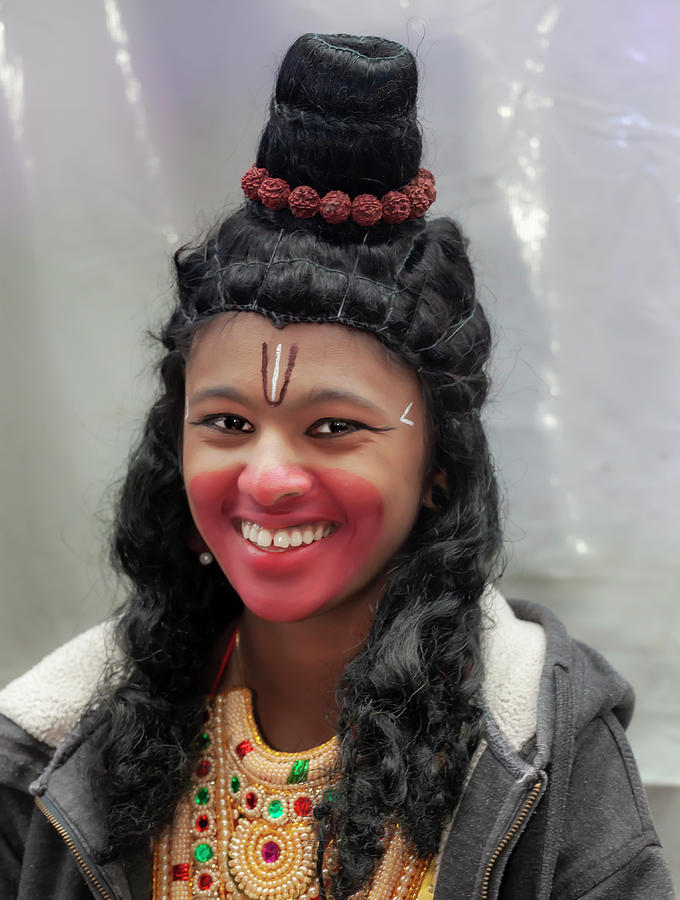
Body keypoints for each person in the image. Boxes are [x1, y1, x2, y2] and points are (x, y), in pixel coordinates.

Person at [0, 32, 674, 900]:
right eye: (229, 422)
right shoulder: (58, 744)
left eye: (332, 427)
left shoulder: (544, 744)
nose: (269, 477)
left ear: (438, 461)